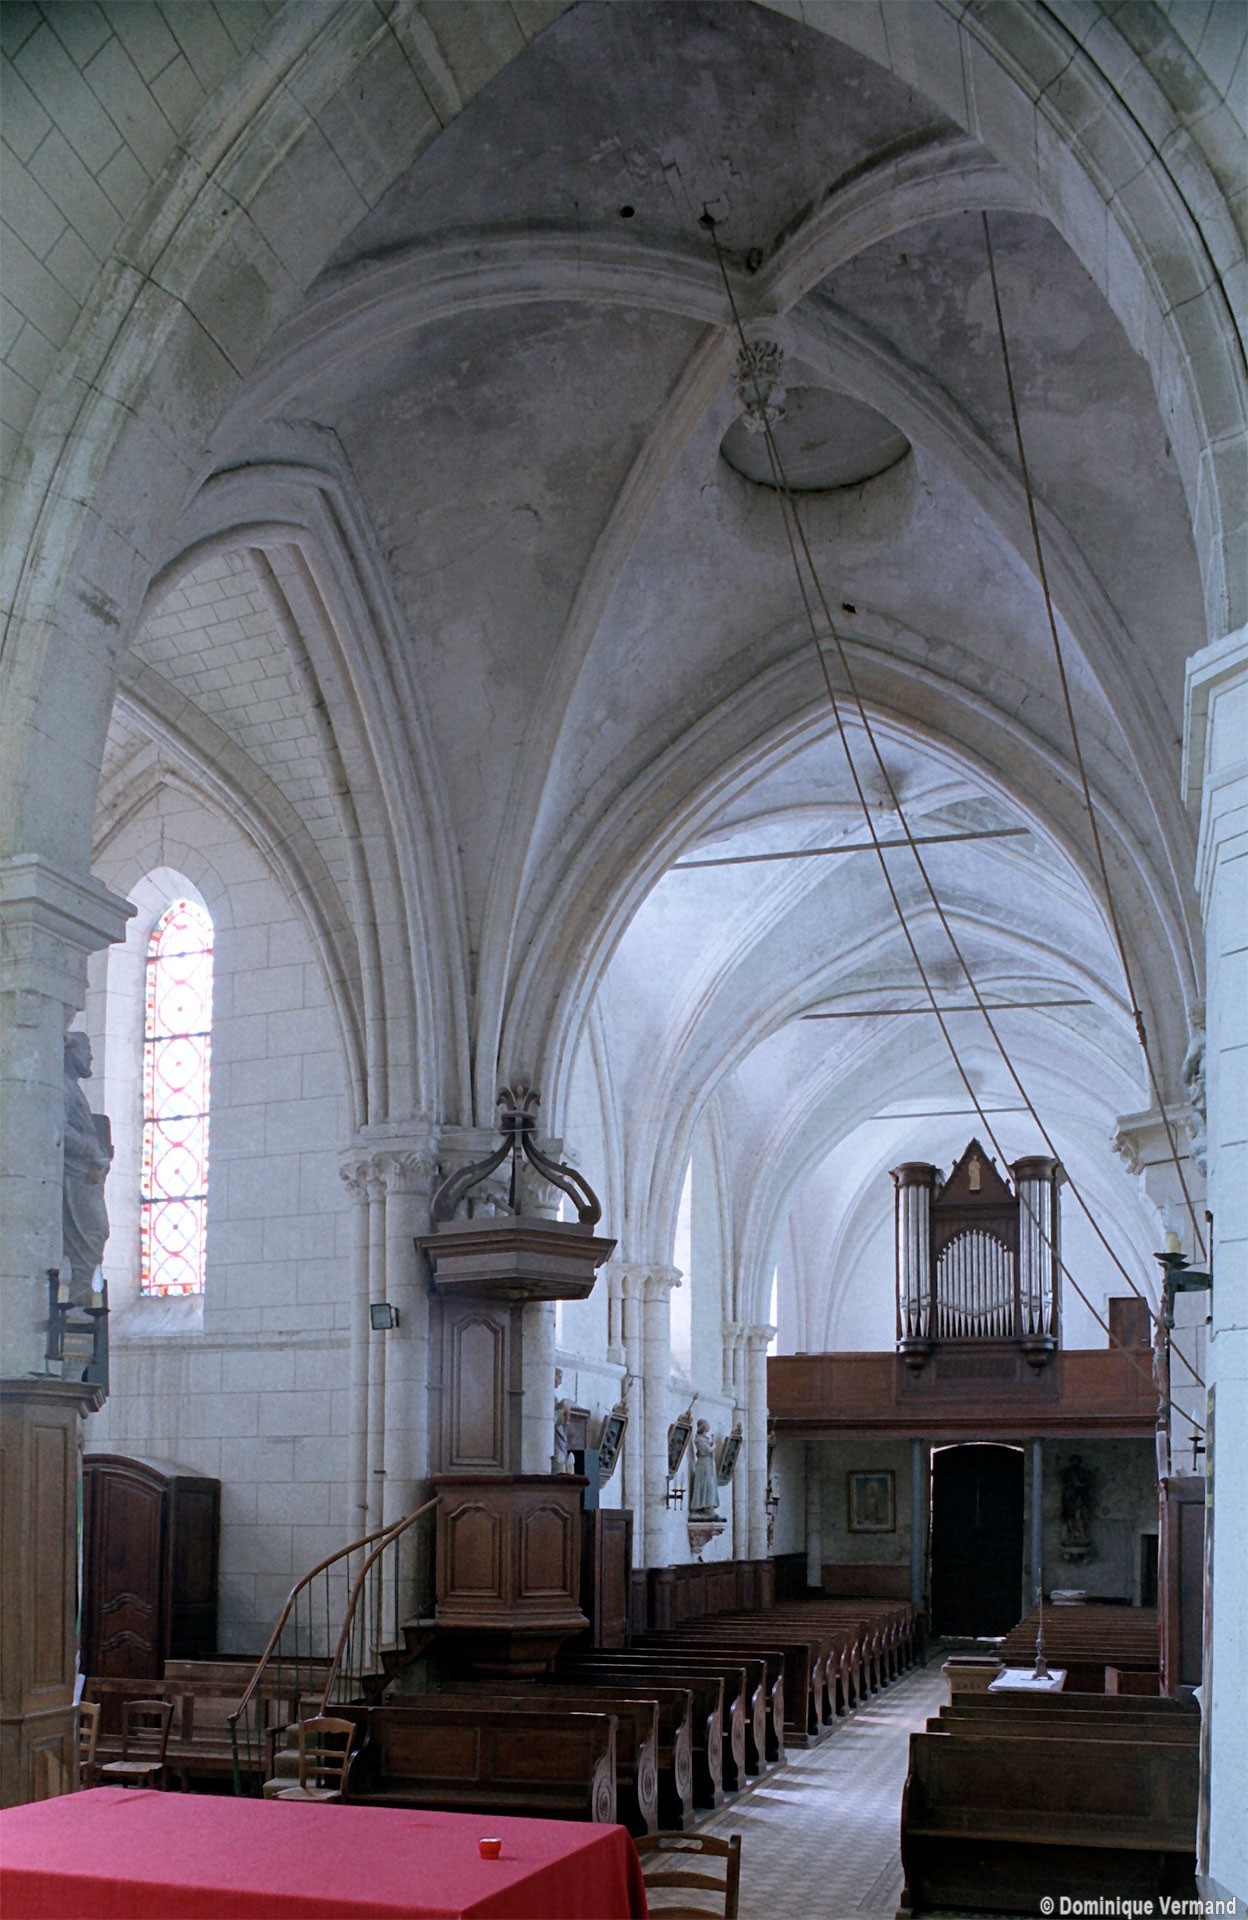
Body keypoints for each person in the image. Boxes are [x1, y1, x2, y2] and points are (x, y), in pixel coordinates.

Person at [62, 1031, 112, 1309]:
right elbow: (59, 1130)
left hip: (86, 1177)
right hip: (74, 1177)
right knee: (91, 1234)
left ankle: (79, 1302)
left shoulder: (71, 1087)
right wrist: (92, 1150)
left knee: (95, 1234)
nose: (91, 1056)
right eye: (86, 1049)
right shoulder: (61, 1087)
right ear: (69, 1050)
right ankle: (76, 1304)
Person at [689, 1419, 719, 1515]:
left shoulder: (705, 1439)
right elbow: (707, 1450)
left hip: (708, 1463)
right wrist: (714, 1445)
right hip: (703, 1464)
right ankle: (701, 1506)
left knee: (710, 1484)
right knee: (705, 1484)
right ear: (703, 1426)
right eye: (707, 1424)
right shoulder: (699, 1439)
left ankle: (709, 1505)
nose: (708, 1426)